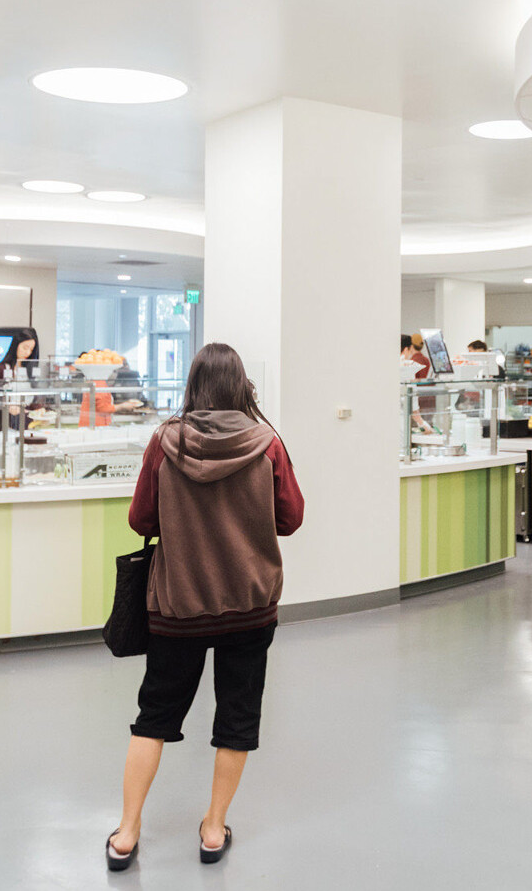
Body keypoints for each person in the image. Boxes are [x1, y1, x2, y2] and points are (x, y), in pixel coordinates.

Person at [108, 342, 305, 872]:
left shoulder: (164, 441)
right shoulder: (267, 443)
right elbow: (291, 519)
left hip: (178, 603)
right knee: (237, 719)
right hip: (249, 602)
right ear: (242, 384)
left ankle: (126, 833)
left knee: (154, 716)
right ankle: (214, 828)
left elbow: (140, 519)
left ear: (192, 383)